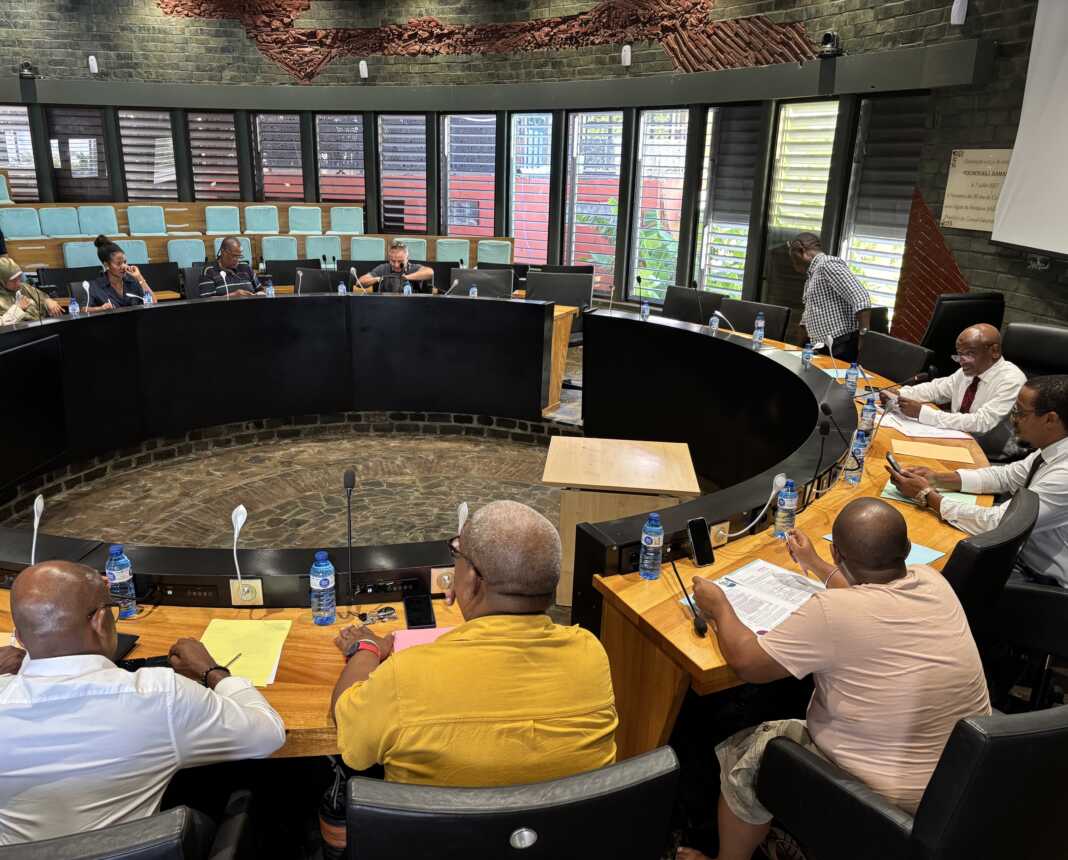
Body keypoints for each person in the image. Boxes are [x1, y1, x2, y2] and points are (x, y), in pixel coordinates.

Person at [678, 498, 990, 860]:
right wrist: (814, 564)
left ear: (837, 551)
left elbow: (747, 663)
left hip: (886, 804)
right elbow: (867, 590)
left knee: (748, 754)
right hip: (961, 785)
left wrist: (720, 607)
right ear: (907, 549)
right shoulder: (933, 581)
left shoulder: (831, 613)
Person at [331, 500, 617, 786]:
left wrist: (366, 648)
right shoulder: (590, 654)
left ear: (472, 578)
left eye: (457, 553)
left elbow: (347, 723)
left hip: (437, 817)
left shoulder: (405, 676)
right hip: (562, 816)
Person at [0, 561, 285, 845]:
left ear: (20, 637)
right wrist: (212, 671)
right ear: (100, 621)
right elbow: (268, 734)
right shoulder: (160, 695)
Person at [888, 375, 1068, 587]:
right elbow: (1006, 476)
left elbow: (1001, 524)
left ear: (1050, 420)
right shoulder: (1053, 448)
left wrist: (927, 495)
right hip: (1016, 553)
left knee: (913, 576)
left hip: (1038, 578)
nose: (1013, 419)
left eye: (1020, 412)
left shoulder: (1063, 475)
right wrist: (937, 478)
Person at [880, 323, 1026, 460]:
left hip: (988, 455)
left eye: (970, 354)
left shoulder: (1012, 380)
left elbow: (981, 423)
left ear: (994, 351)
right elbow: (936, 389)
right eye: (959, 354)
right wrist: (901, 394)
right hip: (956, 439)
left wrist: (922, 413)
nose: (962, 361)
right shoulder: (969, 370)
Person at [789, 233, 871, 362]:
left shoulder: (827, 264)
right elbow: (808, 316)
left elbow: (861, 298)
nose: (794, 265)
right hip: (823, 347)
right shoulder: (813, 275)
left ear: (802, 251)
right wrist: (796, 350)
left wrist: (863, 340)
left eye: (794, 260)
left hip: (841, 346)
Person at [86, 235, 154, 312]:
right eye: (118, 263)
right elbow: (84, 309)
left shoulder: (132, 281)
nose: (124, 266)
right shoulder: (96, 286)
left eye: (125, 262)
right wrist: (101, 308)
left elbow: (153, 302)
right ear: (106, 265)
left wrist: (139, 277)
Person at [0, 256, 63, 325]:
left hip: (40, 324)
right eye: (13, 281)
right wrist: (18, 309)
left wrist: (48, 301)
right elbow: (2, 324)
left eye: (19, 277)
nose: (18, 283)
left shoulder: (23, 287)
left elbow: (41, 298)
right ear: (2, 282)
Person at [356, 240, 434, 294]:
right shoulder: (383, 268)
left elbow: (430, 272)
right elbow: (359, 282)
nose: (396, 265)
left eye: (400, 261)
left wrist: (407, 277)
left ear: (407, 259)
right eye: (393, 261)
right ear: (389, 258)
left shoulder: (413, 268)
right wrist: (377, 279)